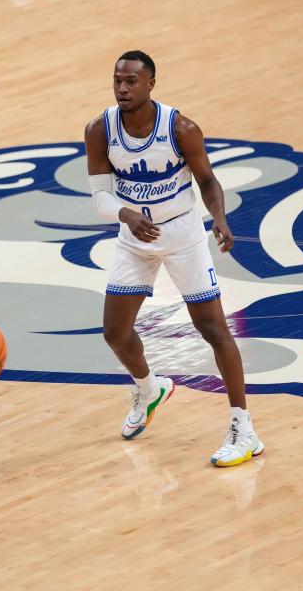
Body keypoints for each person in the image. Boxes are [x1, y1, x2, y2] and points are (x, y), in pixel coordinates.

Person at [83, 50, 263, 467]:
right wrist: (125, 213)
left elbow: (207, 180)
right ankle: (149, 389)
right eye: (117, 80)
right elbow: (100, 197)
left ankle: (244, 429)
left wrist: (218, 218)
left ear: (151, 84)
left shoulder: (181, 128)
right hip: (134, 236)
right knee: (114, 331)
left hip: (182, 234)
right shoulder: (100, 129)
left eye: (132, 81)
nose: (123, 88)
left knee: (214, 329)